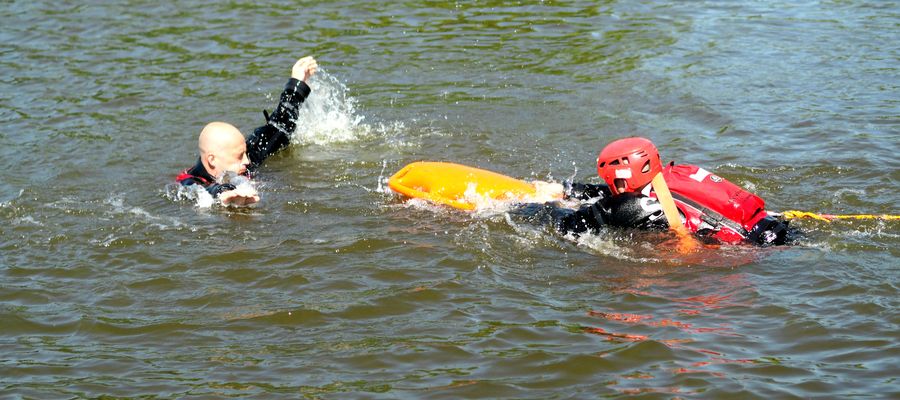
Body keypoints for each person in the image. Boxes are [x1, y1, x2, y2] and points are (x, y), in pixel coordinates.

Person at [515, 137, 792, 246]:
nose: (611, 186)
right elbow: (616, 195)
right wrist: (566, 190)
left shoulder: (630, 208)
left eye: (612, 180)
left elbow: (566, 226)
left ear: (622, 179)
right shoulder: (675, 173)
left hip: (754, 252)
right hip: (773, 227)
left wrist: (517, 206)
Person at [176, 56, 318, 206]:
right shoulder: (188, 181)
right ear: (212, 160)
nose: (247, 161)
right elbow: (201, 191)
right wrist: (224, 193)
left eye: (244, 153)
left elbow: (279, 127)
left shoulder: (244, 157)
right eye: (239, 156)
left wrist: (297, 83)